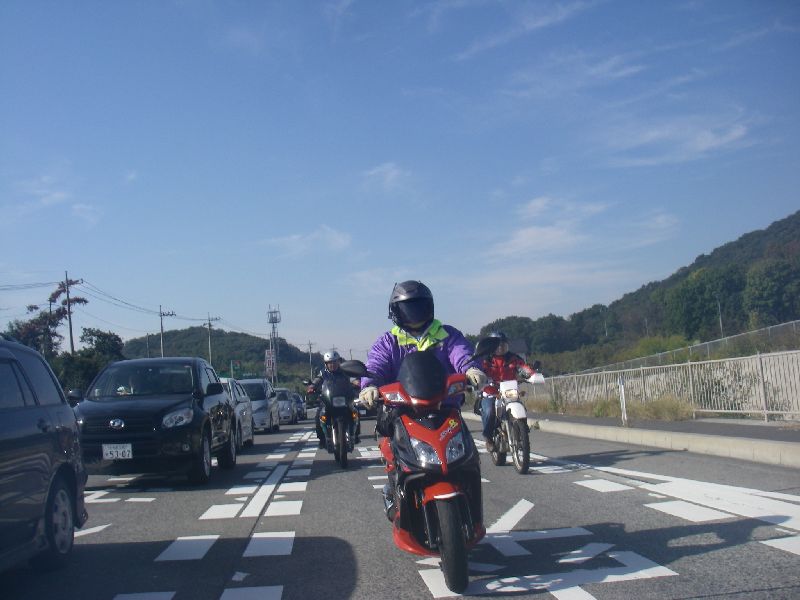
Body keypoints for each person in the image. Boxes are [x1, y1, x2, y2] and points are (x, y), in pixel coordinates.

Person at [358, 280, 487, 436]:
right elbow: (376, 364)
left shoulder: (447, 334)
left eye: (419, 307)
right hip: (402, 413)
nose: (414, 313)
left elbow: (461, 352)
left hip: (445, 409)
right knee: (389, 444)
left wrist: (471, 369)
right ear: (395, 311)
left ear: (429, 307)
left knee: (466, 447)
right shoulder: (388, 342)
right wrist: (369, 385)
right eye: (407, 309)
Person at [477, 331, 537, 451]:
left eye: (503, 344)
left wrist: (531, 373)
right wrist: (482, 382)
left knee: (520, 406)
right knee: (489, 411)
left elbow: (523, 367)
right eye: (497, 345)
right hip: (491, 392)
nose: (500, 347)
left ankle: (522, 431)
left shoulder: (513, 358)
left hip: (509, 390)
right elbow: (478, 374)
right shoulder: (485, 360)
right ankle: (488, 438)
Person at [307, 350, 359, 448]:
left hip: (344, 399)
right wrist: (312, 387)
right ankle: (322, 439)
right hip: (329, 400)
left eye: (335, 362)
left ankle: (355, 435)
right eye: (330, 363)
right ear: (326, 364)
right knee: (319, 416)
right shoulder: (323, 373)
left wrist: (356, 382)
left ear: (339, 362)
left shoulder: (345, 371)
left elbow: (353, 379)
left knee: (355, 412)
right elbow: (317, 380)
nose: (332, 364)